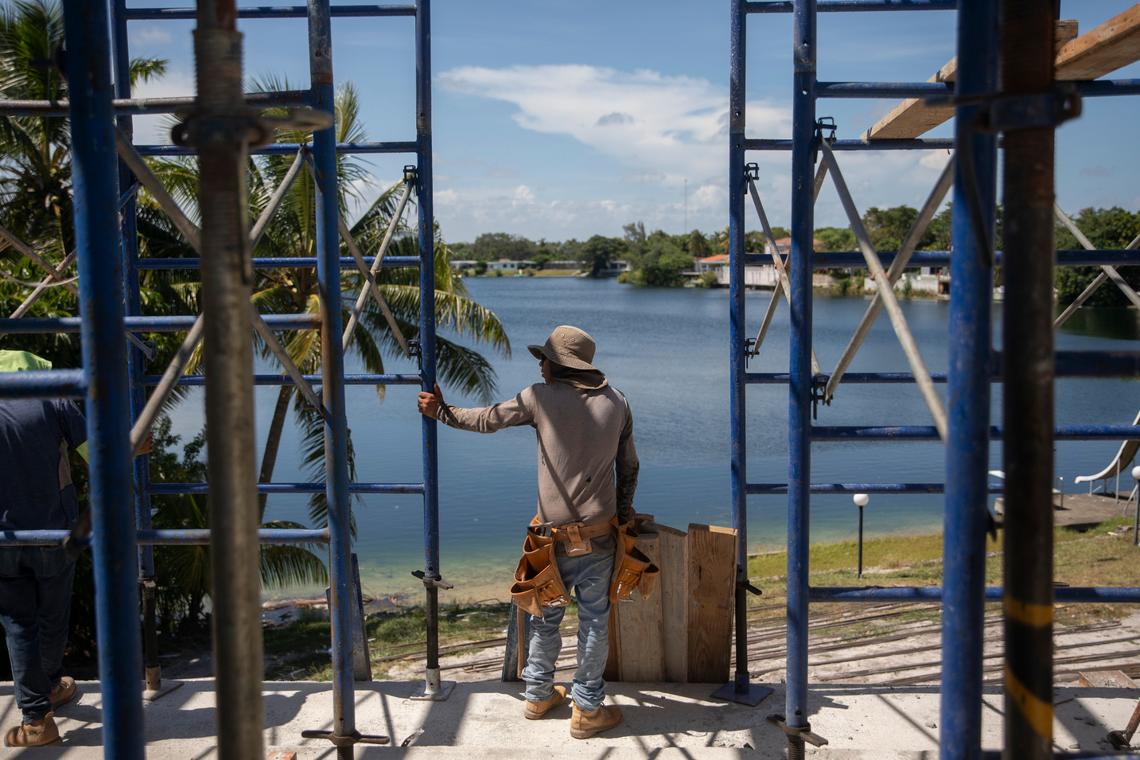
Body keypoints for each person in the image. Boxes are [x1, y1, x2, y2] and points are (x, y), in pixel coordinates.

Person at [417, 324, 639, 740]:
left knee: (545, 617)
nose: (540, 365)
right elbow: (629, 468)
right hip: (599, 536)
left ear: (559, 365)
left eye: (544, 359)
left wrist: (441, 412)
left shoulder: (538, 399)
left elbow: (486, 420)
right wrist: (624, 517)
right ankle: (587, 710)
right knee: (594, 621)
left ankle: (538, 695)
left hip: (549, 539)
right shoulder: (619, 402)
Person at [0, 350, 87, 747]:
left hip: (4, 537)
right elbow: (96, 452)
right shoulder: (53, 399)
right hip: (54, 530)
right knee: (52, 614)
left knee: (19, 623)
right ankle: (49, 687)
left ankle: (36, 719)